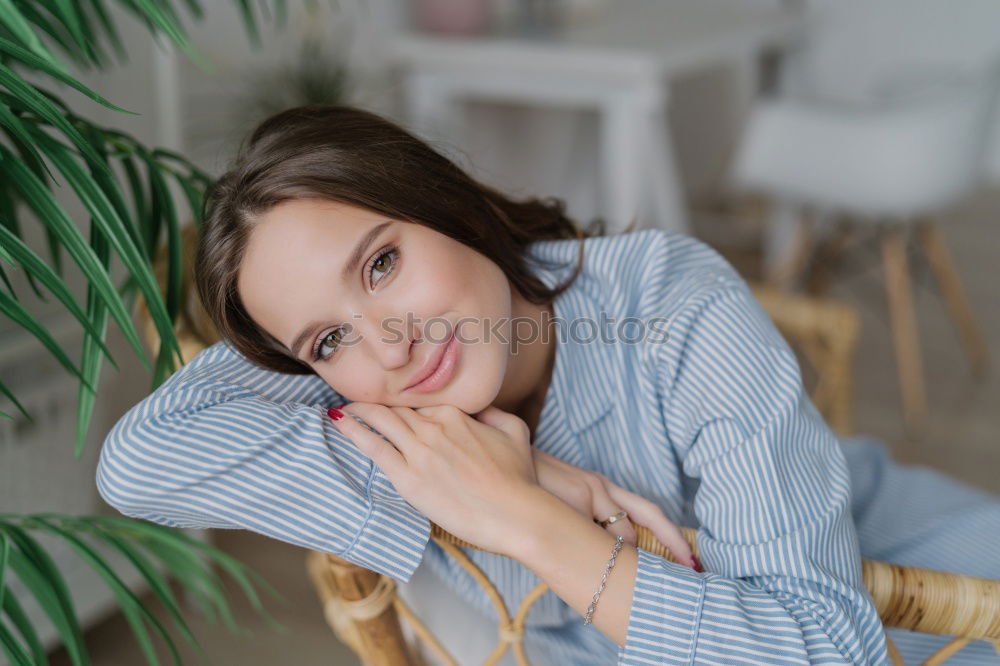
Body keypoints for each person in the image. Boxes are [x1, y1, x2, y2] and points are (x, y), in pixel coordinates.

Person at [97, 105, 1000, 665]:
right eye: (327, 338)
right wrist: (515, 480)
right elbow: (136, 465)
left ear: (441, 201)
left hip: (926, 587)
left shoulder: (669, 306)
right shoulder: (368, 392)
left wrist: (524, 513)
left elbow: (827, 656)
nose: (395, 343)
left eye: (381, 265)